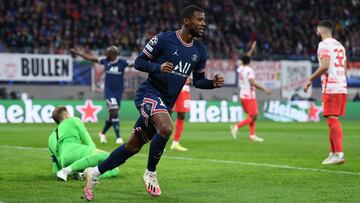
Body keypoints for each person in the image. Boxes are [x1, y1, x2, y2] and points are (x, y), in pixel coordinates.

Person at [82, 5, 224, 201]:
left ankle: (94, 173)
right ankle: (150, 173)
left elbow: (198, 81)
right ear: (186, 21)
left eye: (204, 20)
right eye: (199, 19)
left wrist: (212, 84)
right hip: (148, 93)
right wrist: (158, 67)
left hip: (165, 103)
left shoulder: (200, 51)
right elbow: (140, 62)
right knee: (165, 128)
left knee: (132, 147)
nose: (204, 23)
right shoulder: (164, 39)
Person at [304, 20, 347, 165]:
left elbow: (325, 66)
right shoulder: (339, 45)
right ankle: (333, 153)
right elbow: (344, 66)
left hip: (331, 87)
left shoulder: (323, 45)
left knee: (332, 119)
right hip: (341, 85)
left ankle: (339, 153)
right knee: (331, 119)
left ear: (320, 30)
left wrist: (310, 79)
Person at [70, 46, 132, 144]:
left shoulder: (122, 62)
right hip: (109, 92)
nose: (106, 54)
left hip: (118, 93)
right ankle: (118, 137)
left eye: (108, 52)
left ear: (114, 54)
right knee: (115, 111)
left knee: (112, 114)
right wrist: (78, 53)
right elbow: (90, 58)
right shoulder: (104, 61)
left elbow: (135, 64)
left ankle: (102, 133)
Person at [49, 106, 120, 181]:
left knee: (105, 167)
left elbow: (55, 168)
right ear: (66, 115)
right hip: (74, 152)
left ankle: (82, 175)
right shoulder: (73, 120)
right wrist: (95, 156)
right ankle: (67, 170)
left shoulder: (51, 138)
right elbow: (88, 140)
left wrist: (60, 169)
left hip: (65, 162)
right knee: (108, 159)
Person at [230, 42, 271, 142]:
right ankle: (236, 127)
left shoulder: (241, 68)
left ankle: (252, 136)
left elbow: (246, 57)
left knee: (252, 116)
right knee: (253, 116)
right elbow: (252, 82)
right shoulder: (250, 70)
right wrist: (264, 89)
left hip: (242, 95)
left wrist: (251, 50)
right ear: (250, 61)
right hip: (249, 96)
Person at [170, 78, 191, 151]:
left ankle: (175, 143)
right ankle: (159, 142)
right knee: (167, 113)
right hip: (171, 87)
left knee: (182, 115)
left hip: (184, 89)